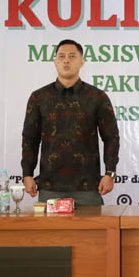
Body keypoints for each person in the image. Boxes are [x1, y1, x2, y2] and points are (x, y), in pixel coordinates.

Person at [21, 39, 120, 206]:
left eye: (72, 56)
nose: (66, 60)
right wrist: (27, 174)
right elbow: (30, 139)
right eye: (61, 56)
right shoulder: (39, 97)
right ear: (55, 61)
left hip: (88, 187)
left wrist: (110, 173)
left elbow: (111, 137)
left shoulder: (97, 97)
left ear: (82, 62)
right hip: (49, 187)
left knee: (92, 225)